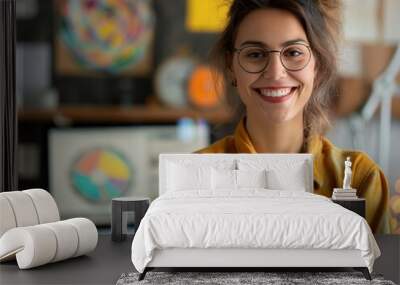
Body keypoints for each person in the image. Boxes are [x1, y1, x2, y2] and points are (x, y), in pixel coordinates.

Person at [196, 0, 390, 234]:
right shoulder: (196, 173)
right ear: (231, 66)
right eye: (255, 54)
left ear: (316, 66)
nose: (276, 73)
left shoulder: (361, 178)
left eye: (294, 52)